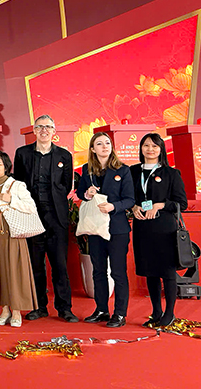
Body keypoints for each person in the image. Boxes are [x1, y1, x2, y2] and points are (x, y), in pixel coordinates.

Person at [13, 114, 78, 323]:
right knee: (35, 265)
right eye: (40, 127)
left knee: (59, 264)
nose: (44, 130)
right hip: (31, 216)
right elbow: (18, 184)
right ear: (34, 130)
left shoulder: (64, 156)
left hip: (56, 217)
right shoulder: (22, 153)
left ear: (54, 131)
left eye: (48, 127)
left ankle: (64, 308)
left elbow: (66, 186)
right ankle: (39, 307)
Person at [77, 132, 135, 328]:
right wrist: (87, 193)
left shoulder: (123, 170)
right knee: (98, 271)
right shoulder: (87, 169)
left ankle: (120, 313)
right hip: (95, 227)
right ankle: (102, 309)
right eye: (99, 144)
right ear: (93, 149)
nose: (104, 146)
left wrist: (114, 206)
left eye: (107, 143)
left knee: (118, 272)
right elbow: (80, 193)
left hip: (117, 228)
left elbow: (130, 199)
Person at [131, 133, 186, 328]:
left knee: (167, 271)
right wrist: (133, 207)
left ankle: (169, 312)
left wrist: (160, 205)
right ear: (141, 148)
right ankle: (156, 311)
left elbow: (181, 204)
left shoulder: (171, 173)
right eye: (146, 146)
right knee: (150, 271)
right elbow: (128, 197)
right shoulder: (133, 171)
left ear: (161, 149)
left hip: (165, 229)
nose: (150, 150)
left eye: (155, 146)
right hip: (143, 227)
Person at [0, 150, 38, 328]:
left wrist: (11, 199)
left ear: (6, 166)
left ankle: (16, 311)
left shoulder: (17, 185)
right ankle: (5, 310)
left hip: (12, 233)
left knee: (15, 272)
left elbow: (31, 207)